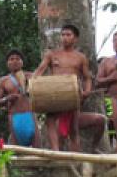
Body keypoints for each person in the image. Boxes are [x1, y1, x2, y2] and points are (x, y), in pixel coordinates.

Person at [33, 24, 105, 152]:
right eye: (63, 35)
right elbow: (40, 70)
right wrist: (32, 85)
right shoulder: (52, 54)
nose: (65, 37)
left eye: (68, 35)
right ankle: (55, 151)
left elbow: (87, 77)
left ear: (75, 38)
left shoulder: (80, 57)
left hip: (73, 94)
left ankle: (75, 158)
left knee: (74, 128)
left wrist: (87, 91)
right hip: (55, 93)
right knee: (50, 119)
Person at [0, 49, 41, 147]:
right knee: (16, 147)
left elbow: (42, 92)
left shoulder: (30, 76)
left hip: (30, 114)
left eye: (18, 59)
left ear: (22, 62)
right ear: (7, 63)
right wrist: (7, 98)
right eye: (11, 59)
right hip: (14, 116)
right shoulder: (3, 81)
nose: (15, 61)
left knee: (36, 146)